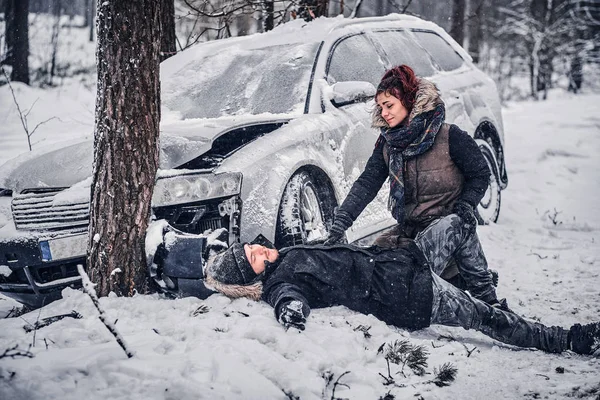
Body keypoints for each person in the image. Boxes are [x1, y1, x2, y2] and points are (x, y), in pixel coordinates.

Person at [202, 214, 599, 356]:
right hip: (410, 296)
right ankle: (567, 339)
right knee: (486, 320)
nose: (257, 248)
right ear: (252, 277)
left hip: (406, 261)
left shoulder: (284, 254)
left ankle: (486, 295)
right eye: (251, 257)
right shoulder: (280, 282)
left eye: (250, 246)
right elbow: (286, 298)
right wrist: (290, 310)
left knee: (458, 225)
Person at [324, 64, 501, 307]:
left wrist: (467, 204)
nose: (384, 113)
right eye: (380, 108)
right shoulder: (388, 144)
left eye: (389, 105)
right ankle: (455, 281)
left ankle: (485, 295)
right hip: (412, 231)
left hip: (449, 230)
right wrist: (340, 223)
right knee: (375, 265)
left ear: (408, 100)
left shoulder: (450, 136)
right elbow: (367, 183)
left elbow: (480, 173)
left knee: (418, 265)